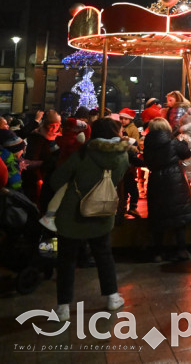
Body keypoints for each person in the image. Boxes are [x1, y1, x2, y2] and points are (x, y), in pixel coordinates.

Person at [49, 117, 129, 322]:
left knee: (67, 260)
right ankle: (112, 297)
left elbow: (56, 180)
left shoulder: (84, 154)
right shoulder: (122, 156)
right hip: (102, 212)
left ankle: (63, 307)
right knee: (104, 254)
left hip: (72, 215)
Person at [143, 118, 191, 262]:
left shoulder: (148, 145)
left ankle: (158, 252)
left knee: (158, 215)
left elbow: (146, 162)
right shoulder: (173, 142)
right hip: (174, 179)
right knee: (179, 215)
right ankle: (182, 250)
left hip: (156, 181)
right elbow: (187, 154)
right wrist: (183, 144)